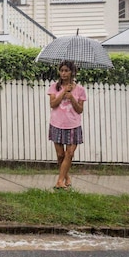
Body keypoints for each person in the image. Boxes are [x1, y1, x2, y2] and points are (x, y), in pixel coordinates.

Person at [47, 60, 86, 190]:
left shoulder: (80, 90)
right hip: (57, 124)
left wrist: (72, 97)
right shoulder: (54, 87)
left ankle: (59, 181)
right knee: (60, 155)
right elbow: (53, 104)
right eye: (61, 70)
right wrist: (64, 92)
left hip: (73, 125)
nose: (63, 73)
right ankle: (66, 176)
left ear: (72, 72)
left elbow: (80, 110)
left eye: (66, 70)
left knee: (69, 153)